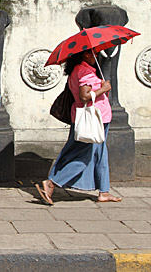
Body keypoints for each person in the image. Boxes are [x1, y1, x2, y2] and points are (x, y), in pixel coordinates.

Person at [36, 49, 122, 205]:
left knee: (100, 153)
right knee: (85, 155)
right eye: (94, 53)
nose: (96, 56)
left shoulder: (80, 70)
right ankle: (52, 183)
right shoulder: (84, 71)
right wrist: (103, 89)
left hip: (96, 117)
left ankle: (104, 191)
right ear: (86, 54)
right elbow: (84, 96)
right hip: (93, 119)